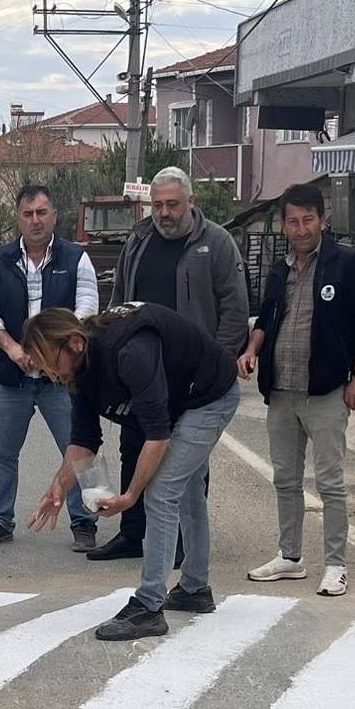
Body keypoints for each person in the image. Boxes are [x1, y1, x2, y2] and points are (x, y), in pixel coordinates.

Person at [24, 305, 239, 641]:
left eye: (48, 360)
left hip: (209, 395)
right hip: (178, 399)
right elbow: (83, 440)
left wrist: (130, 496)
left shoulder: (128, 351)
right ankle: (195, 589)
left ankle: (149, 607)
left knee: (162, 492)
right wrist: (59, 487)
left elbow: (157, 436)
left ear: (75, 343)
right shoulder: (77, 370)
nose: (47, 372)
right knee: (188, 490)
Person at [90, 166, 249, 564]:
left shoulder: (217, 243)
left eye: (173, 204)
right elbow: (121, 298)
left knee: (187, 463)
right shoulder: (139, 239)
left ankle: (182, 544)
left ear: (191, 203)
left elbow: (235, 307)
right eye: (158, 205)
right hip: (141, 372)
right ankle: (132, 533)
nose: (164, 213)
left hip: (192, 376)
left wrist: (221, 363)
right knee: (133, 448)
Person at [237, 182, 355, 597]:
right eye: (292, 221)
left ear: (322, 219)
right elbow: (266, 319)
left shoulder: (347, 264)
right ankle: (290, 557)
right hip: (281, 390)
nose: (300, 229)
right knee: (285, 477)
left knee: (330, 482)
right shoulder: (279, 268)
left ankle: (336, 564)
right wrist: (250, 351)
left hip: (326, 392)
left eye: (307, 220)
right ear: (283, 224)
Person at [0, 184, 101, 552]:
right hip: (10, 377)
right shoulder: (0, 260)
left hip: (63, 379)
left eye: (42, 213)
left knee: (83, 448)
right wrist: (13, 348)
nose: (35, 221)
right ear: (19, 219)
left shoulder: (77, 259)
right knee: (1, 453)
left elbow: (87, 310)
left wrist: (50, 352)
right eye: (28, 214)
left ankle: (88, 521)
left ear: (54, 216)